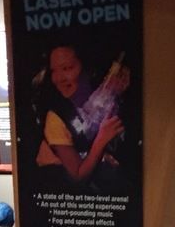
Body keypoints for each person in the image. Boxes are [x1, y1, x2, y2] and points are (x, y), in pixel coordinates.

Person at [35, 45, 128, 186]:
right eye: (54, 70)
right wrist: (102, 139)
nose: (59, 78)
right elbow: (78, 177)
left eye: (67, 68)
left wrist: (116, 95)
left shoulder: (88, 100)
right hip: (59, 190)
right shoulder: (55, 117)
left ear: (86, 69)